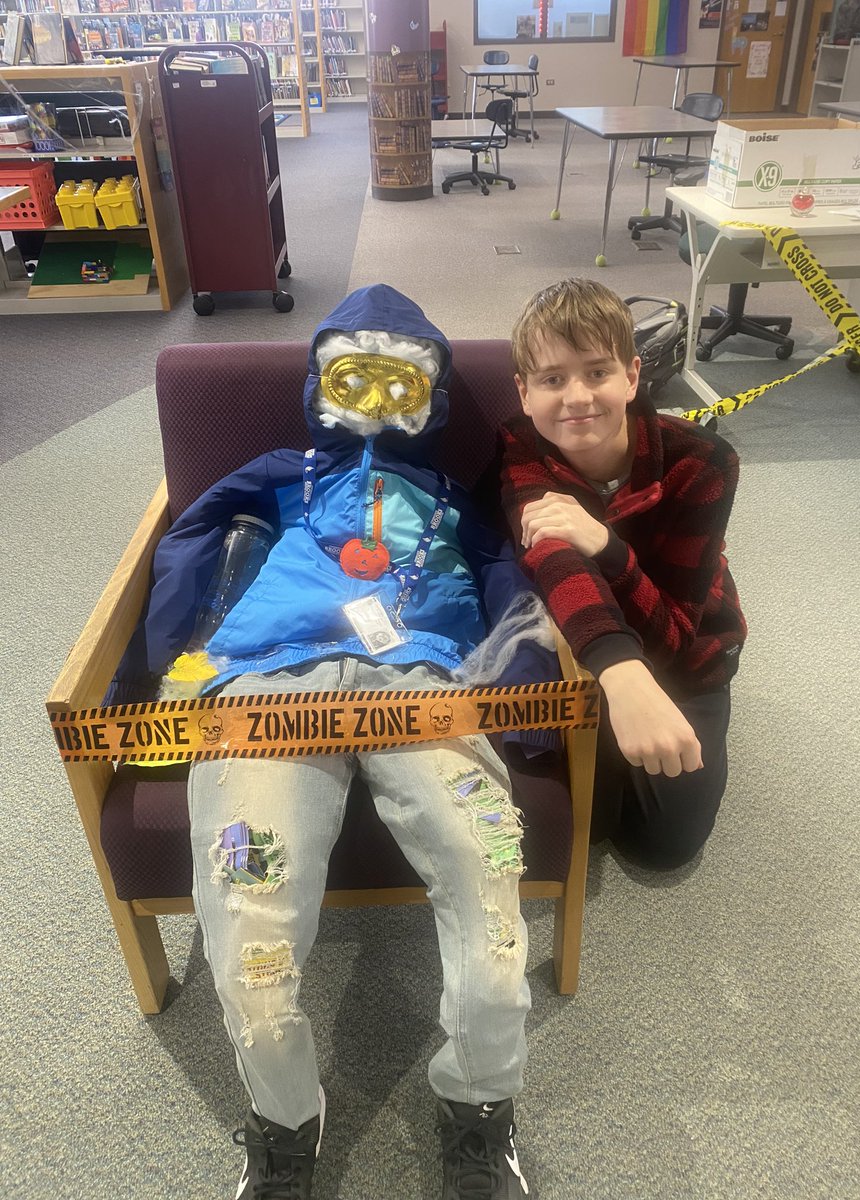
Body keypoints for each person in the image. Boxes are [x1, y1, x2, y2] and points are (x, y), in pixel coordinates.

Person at [118, 285, 556, 1200]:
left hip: (425, 678)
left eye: (401, 382)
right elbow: (193, 535)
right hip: (273, 678)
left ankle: (479, 1112)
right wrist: (149, 665)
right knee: (250, 934)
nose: (376, 400)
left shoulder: (453, 499)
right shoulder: (284, 471)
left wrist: (520, 703)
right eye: (355, 376)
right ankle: (283, 1125)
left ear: (430, 396)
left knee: (492, 907)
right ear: (322, 382)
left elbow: (511, 581)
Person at [497, 278, 747, 868]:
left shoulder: (703, 462)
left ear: (632, 377)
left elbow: (676, 636)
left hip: (690, 654)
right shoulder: (520, 444)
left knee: (662, 846)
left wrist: (609, 549)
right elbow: (555, 564)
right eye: (552, 379)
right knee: (590, 824)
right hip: (600, 646)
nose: (577, 396)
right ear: (525, 393)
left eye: (597, 372)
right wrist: (619, 670)